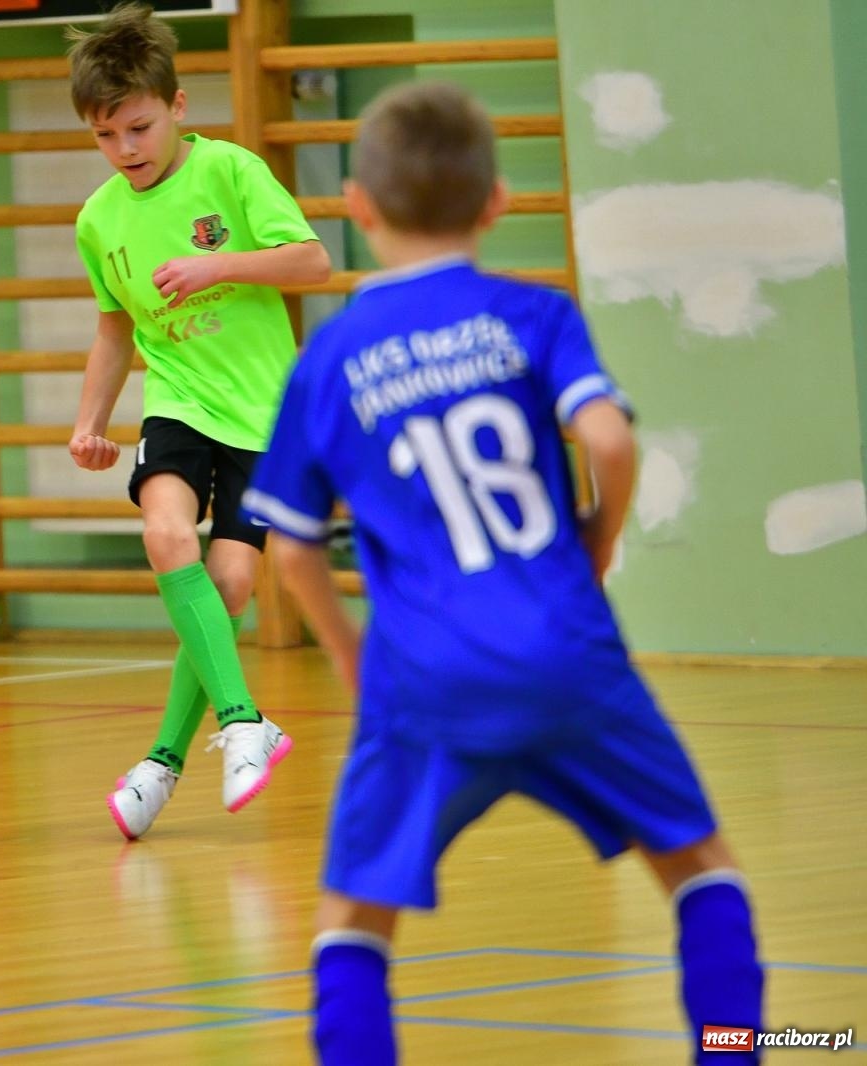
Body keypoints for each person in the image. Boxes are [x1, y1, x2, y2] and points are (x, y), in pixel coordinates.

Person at [241, 81, 764, 1064]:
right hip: (567, 648)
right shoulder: (533, 313)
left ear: (356, 203)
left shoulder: (331, 356)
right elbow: (606, 438)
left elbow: (292, 545)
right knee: (700, 868)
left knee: (351, 918)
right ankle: (732, 1051)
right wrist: (598, 541)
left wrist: (354, 658)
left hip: (423, 673)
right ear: (494, 203)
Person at [64, 3, 330, 839]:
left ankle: (161, 763)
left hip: (265, 418)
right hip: (178, 402)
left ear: (177, 107)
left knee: (230, 587)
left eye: (139, 128)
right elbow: (115, 329)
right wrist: (88, 421)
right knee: (166, 534)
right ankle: (245, 719)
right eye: (107, 137)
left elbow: (313, 262)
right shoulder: (98, 220)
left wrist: (219, 264)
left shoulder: (231, 173)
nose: (126, 150)